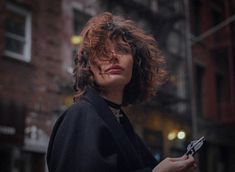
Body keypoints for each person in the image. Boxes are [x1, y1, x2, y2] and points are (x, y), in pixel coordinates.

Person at [46, 12, 196, 172]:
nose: (113, 57)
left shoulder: (120, 121)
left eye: (122, 50)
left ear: (136, 64)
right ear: (89, 66)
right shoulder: (80, 115)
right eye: (102, 51)